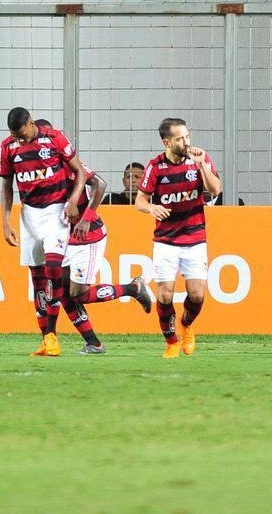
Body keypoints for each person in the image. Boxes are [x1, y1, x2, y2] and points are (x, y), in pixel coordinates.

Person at [0, 108, 89, 356]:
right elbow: (7, 184)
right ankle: (48, 339)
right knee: (37, 278)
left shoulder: (54, 138)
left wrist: (72, 200)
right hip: (29, 214)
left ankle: (52, 330)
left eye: (21, 133)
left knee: (53, 268)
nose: (19, 138)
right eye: (14, 134)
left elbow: (80, 172)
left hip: (56, 212)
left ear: (30, 123)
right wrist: (6, 222)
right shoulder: (8, 147)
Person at [136, 117, 221, 358]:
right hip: (165, 240)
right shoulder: (155, 166)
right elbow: (140, 201)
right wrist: (151, 208)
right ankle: (171, 341)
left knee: (196, 295)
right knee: (164, 295)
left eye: (187, 136)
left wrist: (203, 165)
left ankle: (186, 325)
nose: (186, 142)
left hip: (195, 237)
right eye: (179, 138)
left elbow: (215, 190)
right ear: (166, 142)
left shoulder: (199, 160)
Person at [58, 160, 154, 354]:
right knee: (62, 291)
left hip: (86, 234)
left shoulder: (67, 162)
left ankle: (133, 288)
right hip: (62, 235)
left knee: (78, 294)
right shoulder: (36, 166)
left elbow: (99, 184)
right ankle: (93, 343)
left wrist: (86, 218)